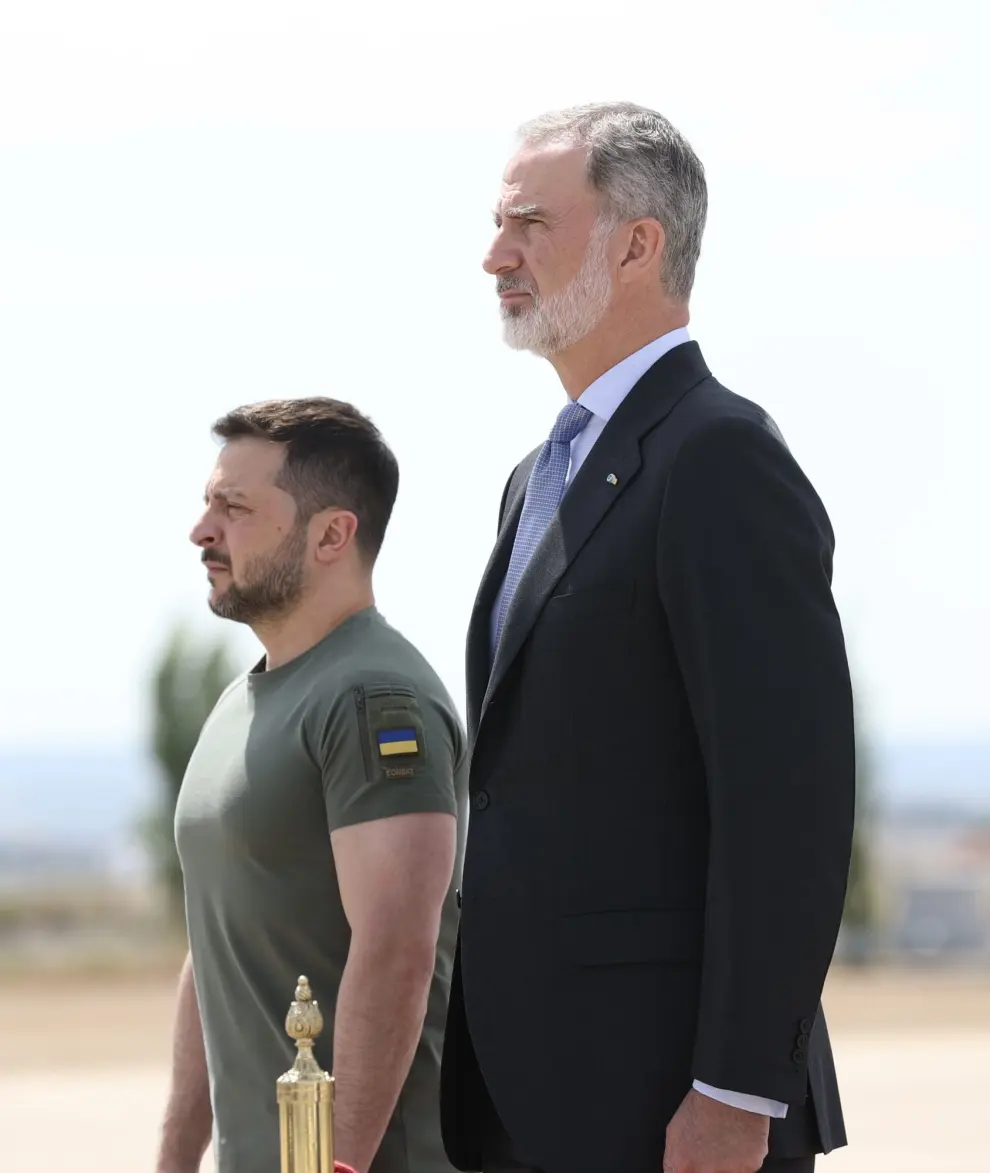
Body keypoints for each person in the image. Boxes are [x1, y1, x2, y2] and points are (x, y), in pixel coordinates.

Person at [439, 103, 856, 1173]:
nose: (496, 255)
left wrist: (735, 1091)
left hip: (672, 1112)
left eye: (529, 222)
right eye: (497, 223)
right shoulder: (534, 480)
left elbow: (788, 808)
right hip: (529, 1102)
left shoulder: (719, 460)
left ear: (638, 244)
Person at [156, 398, 468, 1173]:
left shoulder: (372, 698)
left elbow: (397, 943)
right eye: (207, 505)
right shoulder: (246, 699)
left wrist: (341, 1164)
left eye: (235, 508)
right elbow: (216, 942)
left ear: (332, 533)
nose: (203, 531)